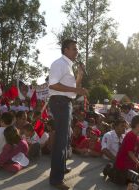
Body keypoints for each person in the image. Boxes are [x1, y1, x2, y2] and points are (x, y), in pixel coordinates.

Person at [48, 39, 88, 189]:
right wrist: (77, 91)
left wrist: (80, 74)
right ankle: (56, 179)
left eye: (76, 49)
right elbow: (53, 84)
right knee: (60, 140)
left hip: (66, 103)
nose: (76, 51)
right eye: (74, 49)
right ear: (65, 50)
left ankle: (62, 167)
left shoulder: (69, 66)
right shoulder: (59, 63)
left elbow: (74, 87)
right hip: (59, 102)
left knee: (65, 138)